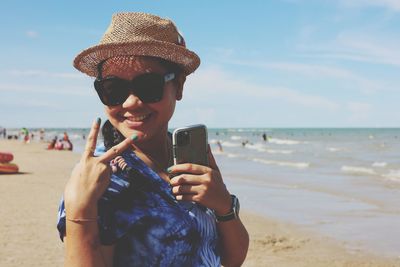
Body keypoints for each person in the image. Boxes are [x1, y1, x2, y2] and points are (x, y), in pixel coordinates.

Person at [57, 12, 249, 267]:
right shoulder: (104, 177)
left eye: (149, 85)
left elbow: (230, 260)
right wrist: (79, 211)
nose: (131, 103)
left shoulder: (188, 156)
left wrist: (225, 206)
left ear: (178, 86)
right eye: (113, 89)